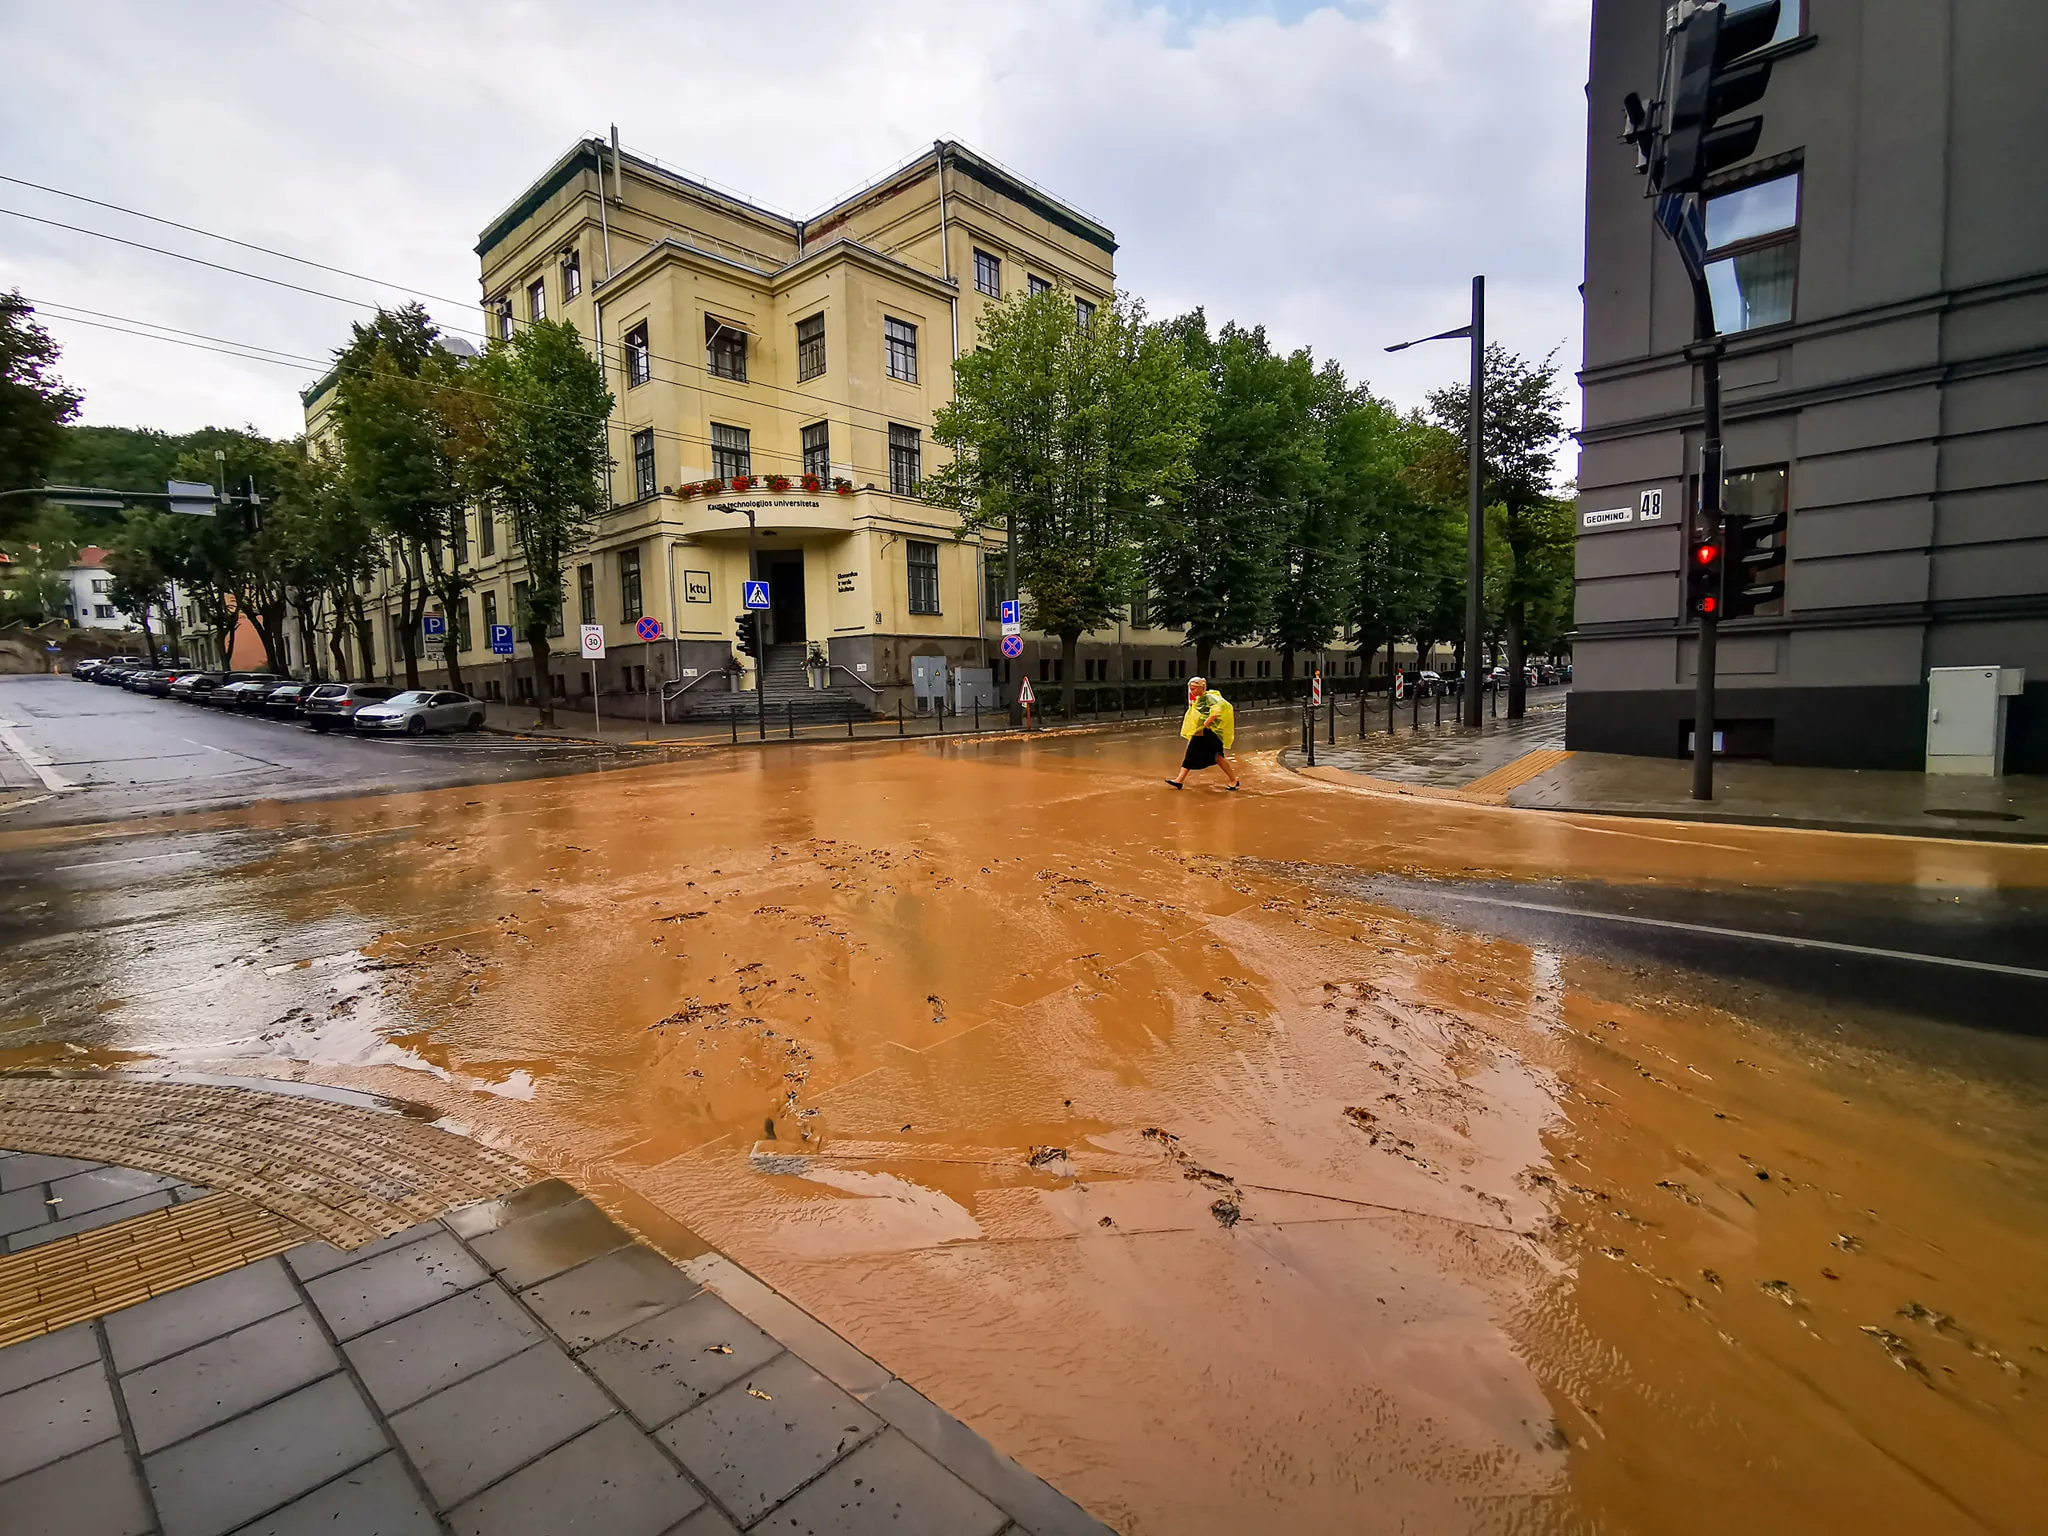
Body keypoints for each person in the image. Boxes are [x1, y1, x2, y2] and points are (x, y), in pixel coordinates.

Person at [1166, 676, 1240, 790]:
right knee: (1190, 753)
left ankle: (1233, 780)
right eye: (1190, 689)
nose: (1191, 691)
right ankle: (1179, 780)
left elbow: (1217, 711)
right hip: (1201, 732)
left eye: (1194, 689)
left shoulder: (1209, 697)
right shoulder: (1200, 699)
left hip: (1211, 733)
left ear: (1201, 688)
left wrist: (1206, 724)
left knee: (1218, 757)